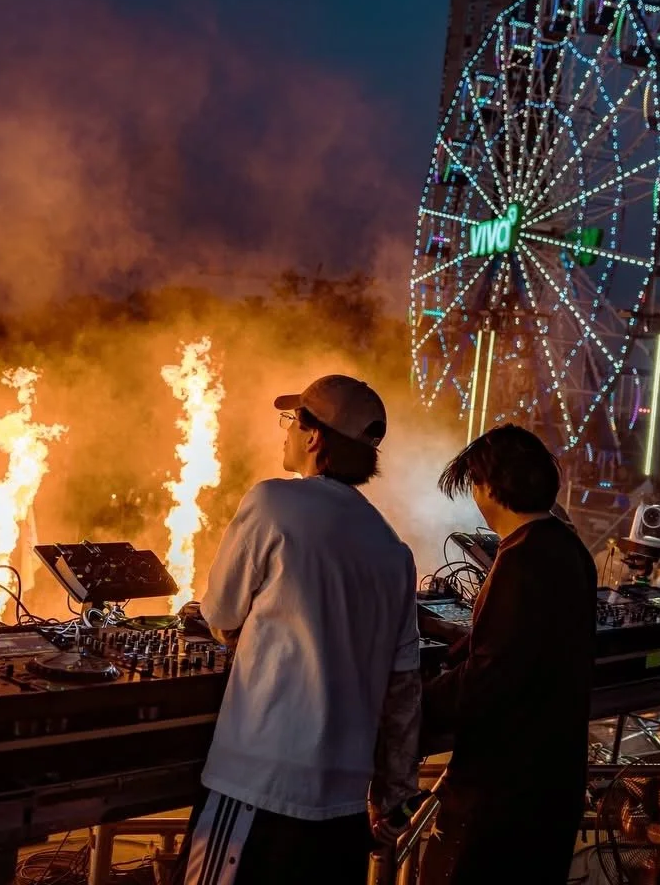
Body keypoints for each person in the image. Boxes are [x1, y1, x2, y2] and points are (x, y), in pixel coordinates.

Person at [171, 375, 422, 885]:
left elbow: (220, 615)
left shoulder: (272, 503)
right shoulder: (394, 551)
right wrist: (394, 793)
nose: (285, 432)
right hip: (344, 804)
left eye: (293, 421)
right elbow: (403, 690)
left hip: (257, 783)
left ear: (314, 437)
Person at [420, 424, 597, 884]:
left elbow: (489, 679)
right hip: (553, 785)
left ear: (487, 486)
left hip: (502, 796)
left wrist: (417, 700)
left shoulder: (520, 560)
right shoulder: (570, 548)